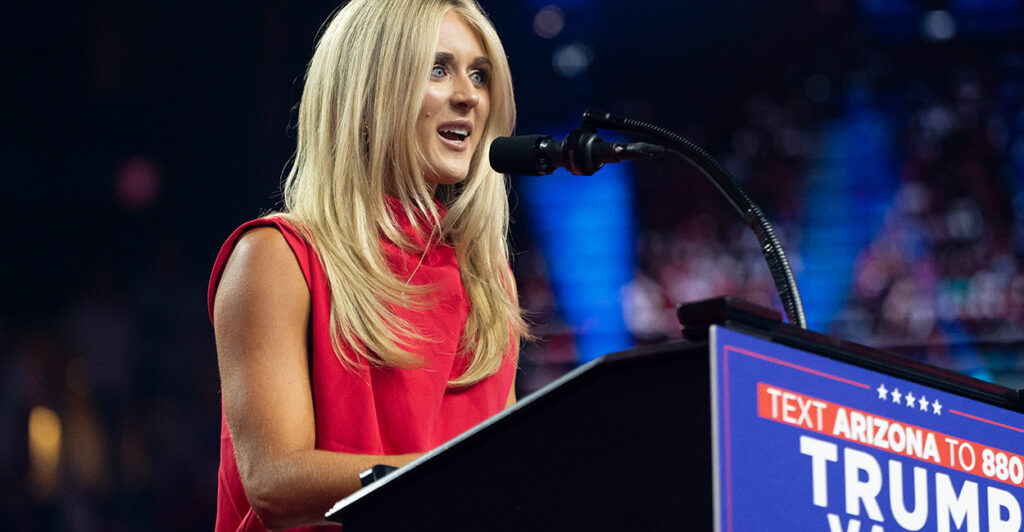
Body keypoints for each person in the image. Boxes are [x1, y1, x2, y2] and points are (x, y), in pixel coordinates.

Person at [207, 0, 528, 529]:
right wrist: (459, 474)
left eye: (480, 74)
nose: (470, 96)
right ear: (369, 91)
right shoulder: (277, 258)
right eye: (438, 68)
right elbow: (274, 482)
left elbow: (508, 473)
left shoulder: (489, 280)